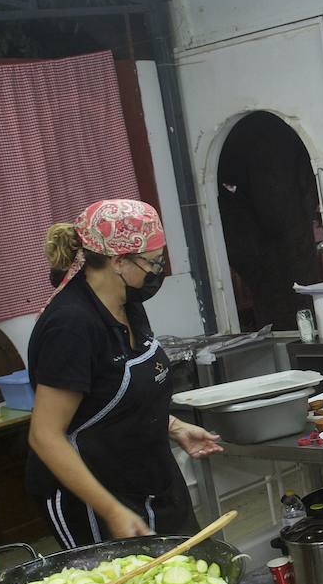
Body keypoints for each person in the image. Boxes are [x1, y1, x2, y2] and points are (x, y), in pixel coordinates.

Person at [27, 199, 223, 548]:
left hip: (148, 476)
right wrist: (112, 511)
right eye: (153, 262)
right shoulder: (71, 326)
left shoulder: (127, 305)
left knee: (191, 575)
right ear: (118, 261)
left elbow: (113, 396)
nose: (158, 271)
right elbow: (45, 436)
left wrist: (173, 427)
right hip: (93, 497)